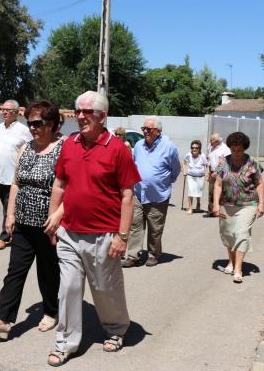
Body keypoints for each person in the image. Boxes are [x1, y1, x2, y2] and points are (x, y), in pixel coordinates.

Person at [45, 91, 141, 367]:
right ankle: (65, 343)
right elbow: (60, 184)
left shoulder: (118, 149)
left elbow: (127, 195)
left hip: (104, 235)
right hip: (70, 233)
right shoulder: (70, 145)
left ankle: (115, 328)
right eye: (78, 111)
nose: (81, 116)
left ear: (103, 116)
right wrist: (54, 220)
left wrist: (122, 236)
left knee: (105, 289)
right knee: (69, 288)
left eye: (88, 112)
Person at [0, 100, 63, 340]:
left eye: (38, 123)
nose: (33, 127)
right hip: (23, 223)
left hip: (49, 225)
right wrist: (10, 214)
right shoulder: (25, 148)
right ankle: (2, 321)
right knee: (15, 271)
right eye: (31, 123)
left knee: (48, 272)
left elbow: (72, 187)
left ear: (53, 125)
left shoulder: (63, 149)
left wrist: (58, 215)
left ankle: (51, 311)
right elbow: (16, 183)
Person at [121, 116, 180, 268]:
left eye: (149, 129)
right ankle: (134, 255)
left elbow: (176, 169)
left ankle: (154, 254)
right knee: (135, 225)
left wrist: (165, 182)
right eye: (144, 128)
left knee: (155, 228)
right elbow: (135, 165)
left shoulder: (169, 147)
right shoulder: (139, 145)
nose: (145, 131)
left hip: (158, 195)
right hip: (139, 194)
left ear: (158, 131)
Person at [212, 132, 264, 284]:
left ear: (244, 149)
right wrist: (215, 204)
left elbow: (259, 183)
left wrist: (261, 203)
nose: (236, 153)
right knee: (229, 234)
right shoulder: (223, 163)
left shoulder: (252, 163)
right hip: (226, 204)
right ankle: (231, 261)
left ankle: (238, 268)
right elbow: (218, 184)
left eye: (239, 150)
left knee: (241, 233)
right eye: (233, 150)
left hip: (248, 204)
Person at [0, 99, 32, 250]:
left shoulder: (23, 130)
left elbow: (30, 149)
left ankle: (5, 236)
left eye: (8, 110)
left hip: (13, 176)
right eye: (2, 110)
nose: (4, 112)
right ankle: (16, 231)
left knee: (8, 206)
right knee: (7, 205)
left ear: (16, 113)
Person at [183, 139, 209, 214]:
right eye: (192, 147)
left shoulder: (202, 156)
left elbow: (207, 165)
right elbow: (184, 162)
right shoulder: (188, 155)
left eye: (196, 148)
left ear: (199, 149)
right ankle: (190, 207)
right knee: (191, 190)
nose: (194, 149)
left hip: (200, 177)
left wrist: (207, 174)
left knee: (198, 191)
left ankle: (198, 202)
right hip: (191, 176)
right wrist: (184, 170)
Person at [207, 133, 231, 215]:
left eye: (211, 140)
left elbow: (226, 162)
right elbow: (209, 159)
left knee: (220, 192)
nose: (210, 142)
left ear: (217, 141)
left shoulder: (225, 149)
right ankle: (212, 211)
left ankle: (221, 210)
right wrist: (208, 170)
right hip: (212, 172)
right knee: (211, 192)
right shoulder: (210, 147)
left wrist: (217, 171)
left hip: (222, 173)